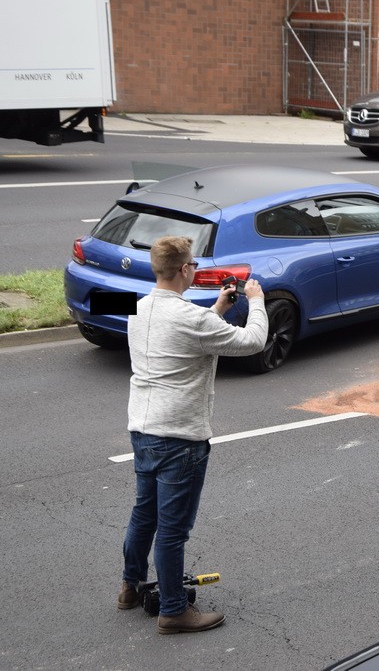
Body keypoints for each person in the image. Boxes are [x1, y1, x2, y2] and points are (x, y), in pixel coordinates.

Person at [117, 236, 268, 634]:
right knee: (172, 530)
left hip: (142, 429)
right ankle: (173, 611)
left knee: (143, 514)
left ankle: (129, 588)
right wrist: (257, 301)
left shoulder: (135, 306)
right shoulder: (192, 320)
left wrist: (217, 308)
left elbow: (173, 324)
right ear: (185, 269)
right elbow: (253, 341)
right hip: (180, 436)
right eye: (193, 266)